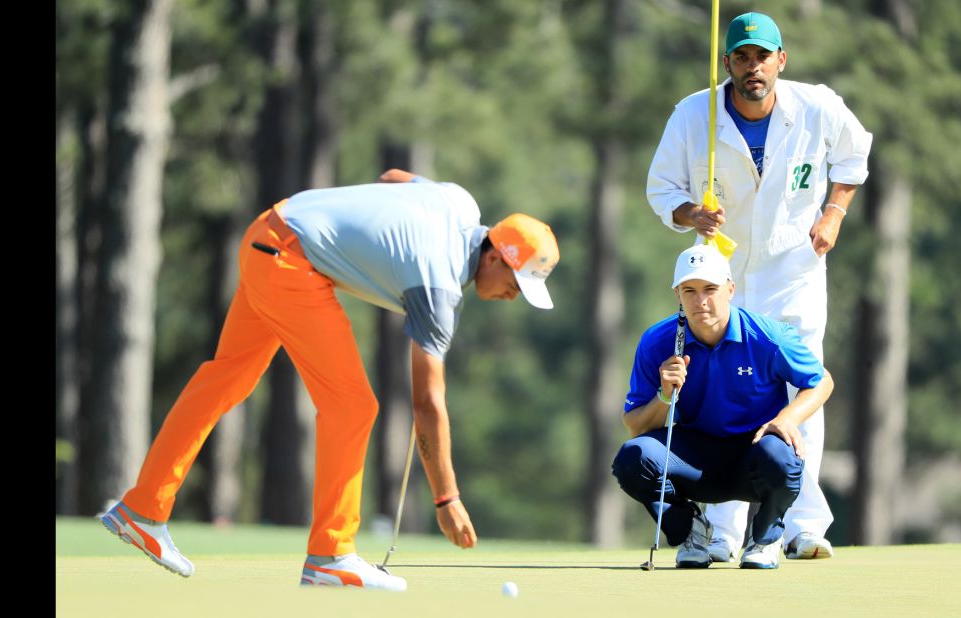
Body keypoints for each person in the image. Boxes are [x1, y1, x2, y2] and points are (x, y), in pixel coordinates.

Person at [99, 169, 560, 591]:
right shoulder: (438, 289)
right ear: (497, 256)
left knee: (224, 380)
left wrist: (377, 237)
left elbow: (393, 177)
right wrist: (447, 499)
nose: (511, 297)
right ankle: (331, 554)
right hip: (290, 261)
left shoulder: (460, 202)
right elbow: (427, 404)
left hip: (268, 231)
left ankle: (142, 509)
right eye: (517, 284)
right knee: (354, 406)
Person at [645, 11, 872, 562]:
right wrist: (691, 213)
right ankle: (723, 534)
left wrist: (834, 213)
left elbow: (855, 154)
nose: (753, 67)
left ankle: (804, 525)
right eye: (742, 57)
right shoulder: (691, 115)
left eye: (762, 57)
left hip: (793, 272)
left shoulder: (816, 106)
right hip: (723, 275)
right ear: (728, 64)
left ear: (780, 61)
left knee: (802, 390)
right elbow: (660, 189)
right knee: (725, 397)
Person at [612, 244, 834, 569]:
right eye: (689, 291)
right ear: (677, 293)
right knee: (632, 458)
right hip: (694, 459)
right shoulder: (657, 341)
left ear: (730, 289)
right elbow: (636, 426)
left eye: (710, 289)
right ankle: (691, 530)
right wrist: (664, 394)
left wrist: (788, 418)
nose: (700, 301)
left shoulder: (767, 337)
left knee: (783, 455)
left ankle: (765, 538)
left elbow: (821, 380)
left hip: (755, 455)